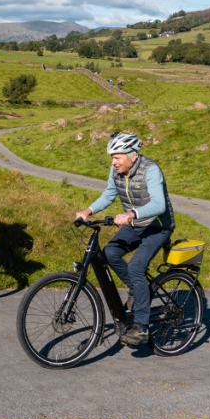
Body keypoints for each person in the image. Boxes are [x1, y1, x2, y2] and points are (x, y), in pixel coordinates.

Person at [74, 132, 175, 345]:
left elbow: (159, 205)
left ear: (132, 156)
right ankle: (139, 292)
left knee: (137, 267)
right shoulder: (117, 171)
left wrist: (131, 214)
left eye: (117, 157)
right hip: (136, 224)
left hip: (158, 226)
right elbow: (109, 194)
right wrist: (88, 210)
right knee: (110, 253)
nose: (113, 162)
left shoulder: (151, 170)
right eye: (112, 157)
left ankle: (140, 326)